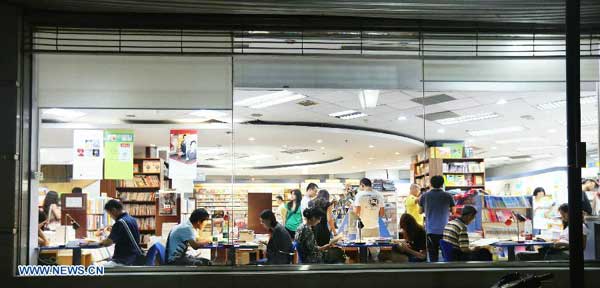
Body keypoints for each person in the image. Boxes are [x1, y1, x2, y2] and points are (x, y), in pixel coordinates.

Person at [517, 204, 588, 261]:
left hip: (566, 253)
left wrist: (562, 243)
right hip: (558, 251)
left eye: (563, 214)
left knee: (539, 257)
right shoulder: (568, 226)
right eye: (561, 214)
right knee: (520, 255)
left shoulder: (581, 226)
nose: (562, 217)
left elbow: (582, 247)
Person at [93, 199, 142, 266]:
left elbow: (108, 243)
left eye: (109, 214)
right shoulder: (131, 219)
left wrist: (98, 242)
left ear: (114, 210)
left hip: (123, 261)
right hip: (134, 257)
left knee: (94, 268)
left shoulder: (120, 223)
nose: (110, 216)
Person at [419, 175, 455, 262]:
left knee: (432, 254)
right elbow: (453, 211)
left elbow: (420, 211)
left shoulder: (424, 196)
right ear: (442, 184)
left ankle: (434, 272)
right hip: (445, 230)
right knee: (446, 254)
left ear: (430, 184)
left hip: (430, 230)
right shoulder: (448, 195)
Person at [353, 178, 385, 261]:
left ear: (362, 185)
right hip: (375, 226)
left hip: (363, 227)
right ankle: (376, 268)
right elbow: (381, 214)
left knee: (363, 251)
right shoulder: (379, 195)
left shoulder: (359, 195)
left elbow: (357, 212)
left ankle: (363, 269)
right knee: (375, 252)